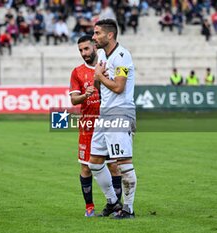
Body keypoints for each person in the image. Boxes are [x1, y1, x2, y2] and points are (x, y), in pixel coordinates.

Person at [69, 35, 122, 217]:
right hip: (88, 125)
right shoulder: (77, 72)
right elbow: (73, 99)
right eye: (80, 50)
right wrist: (85, 95)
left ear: (94, 47)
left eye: (86, 49)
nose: (84, 53)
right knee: (86, 167)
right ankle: (89, 206)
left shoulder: (108, 66)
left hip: (108, 123)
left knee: (114, 165)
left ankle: (116, 205)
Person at [90, 19, 137, 219]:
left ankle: (128, 208)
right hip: (105, 112)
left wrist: (100, 77)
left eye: (97, 33)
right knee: (94, 162)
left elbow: (119, 87)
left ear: (110, 35)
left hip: (121, 111)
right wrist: (97, 77)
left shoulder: (122, 56)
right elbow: (97, 81)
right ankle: (112, 201)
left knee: (123, 163)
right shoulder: (101, 54)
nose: (94, 37)